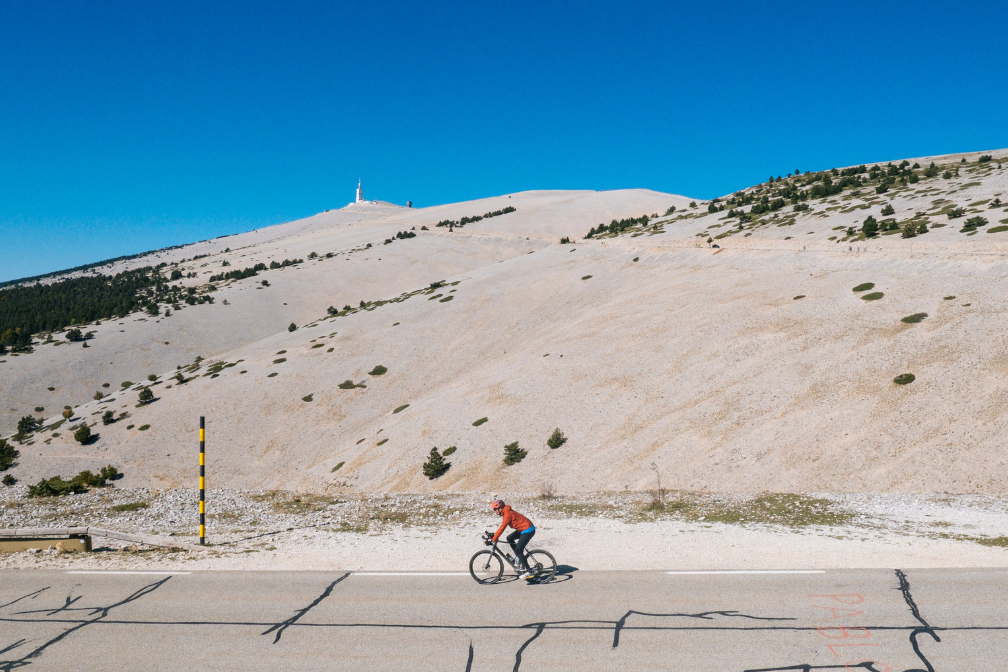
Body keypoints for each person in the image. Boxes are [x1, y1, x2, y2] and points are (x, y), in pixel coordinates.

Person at [488, 499, 535, 579]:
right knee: (509, 538)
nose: (494, 511)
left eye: (495, 509)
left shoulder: (507, 514)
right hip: (523, 529)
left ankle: (529, 571)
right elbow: (501, 528)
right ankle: (518, 558)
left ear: (500, 508)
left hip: (528, 530)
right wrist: (493, 535)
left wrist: (494, 538)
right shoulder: (506, 512)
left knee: (518, 550)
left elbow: (502, 527)